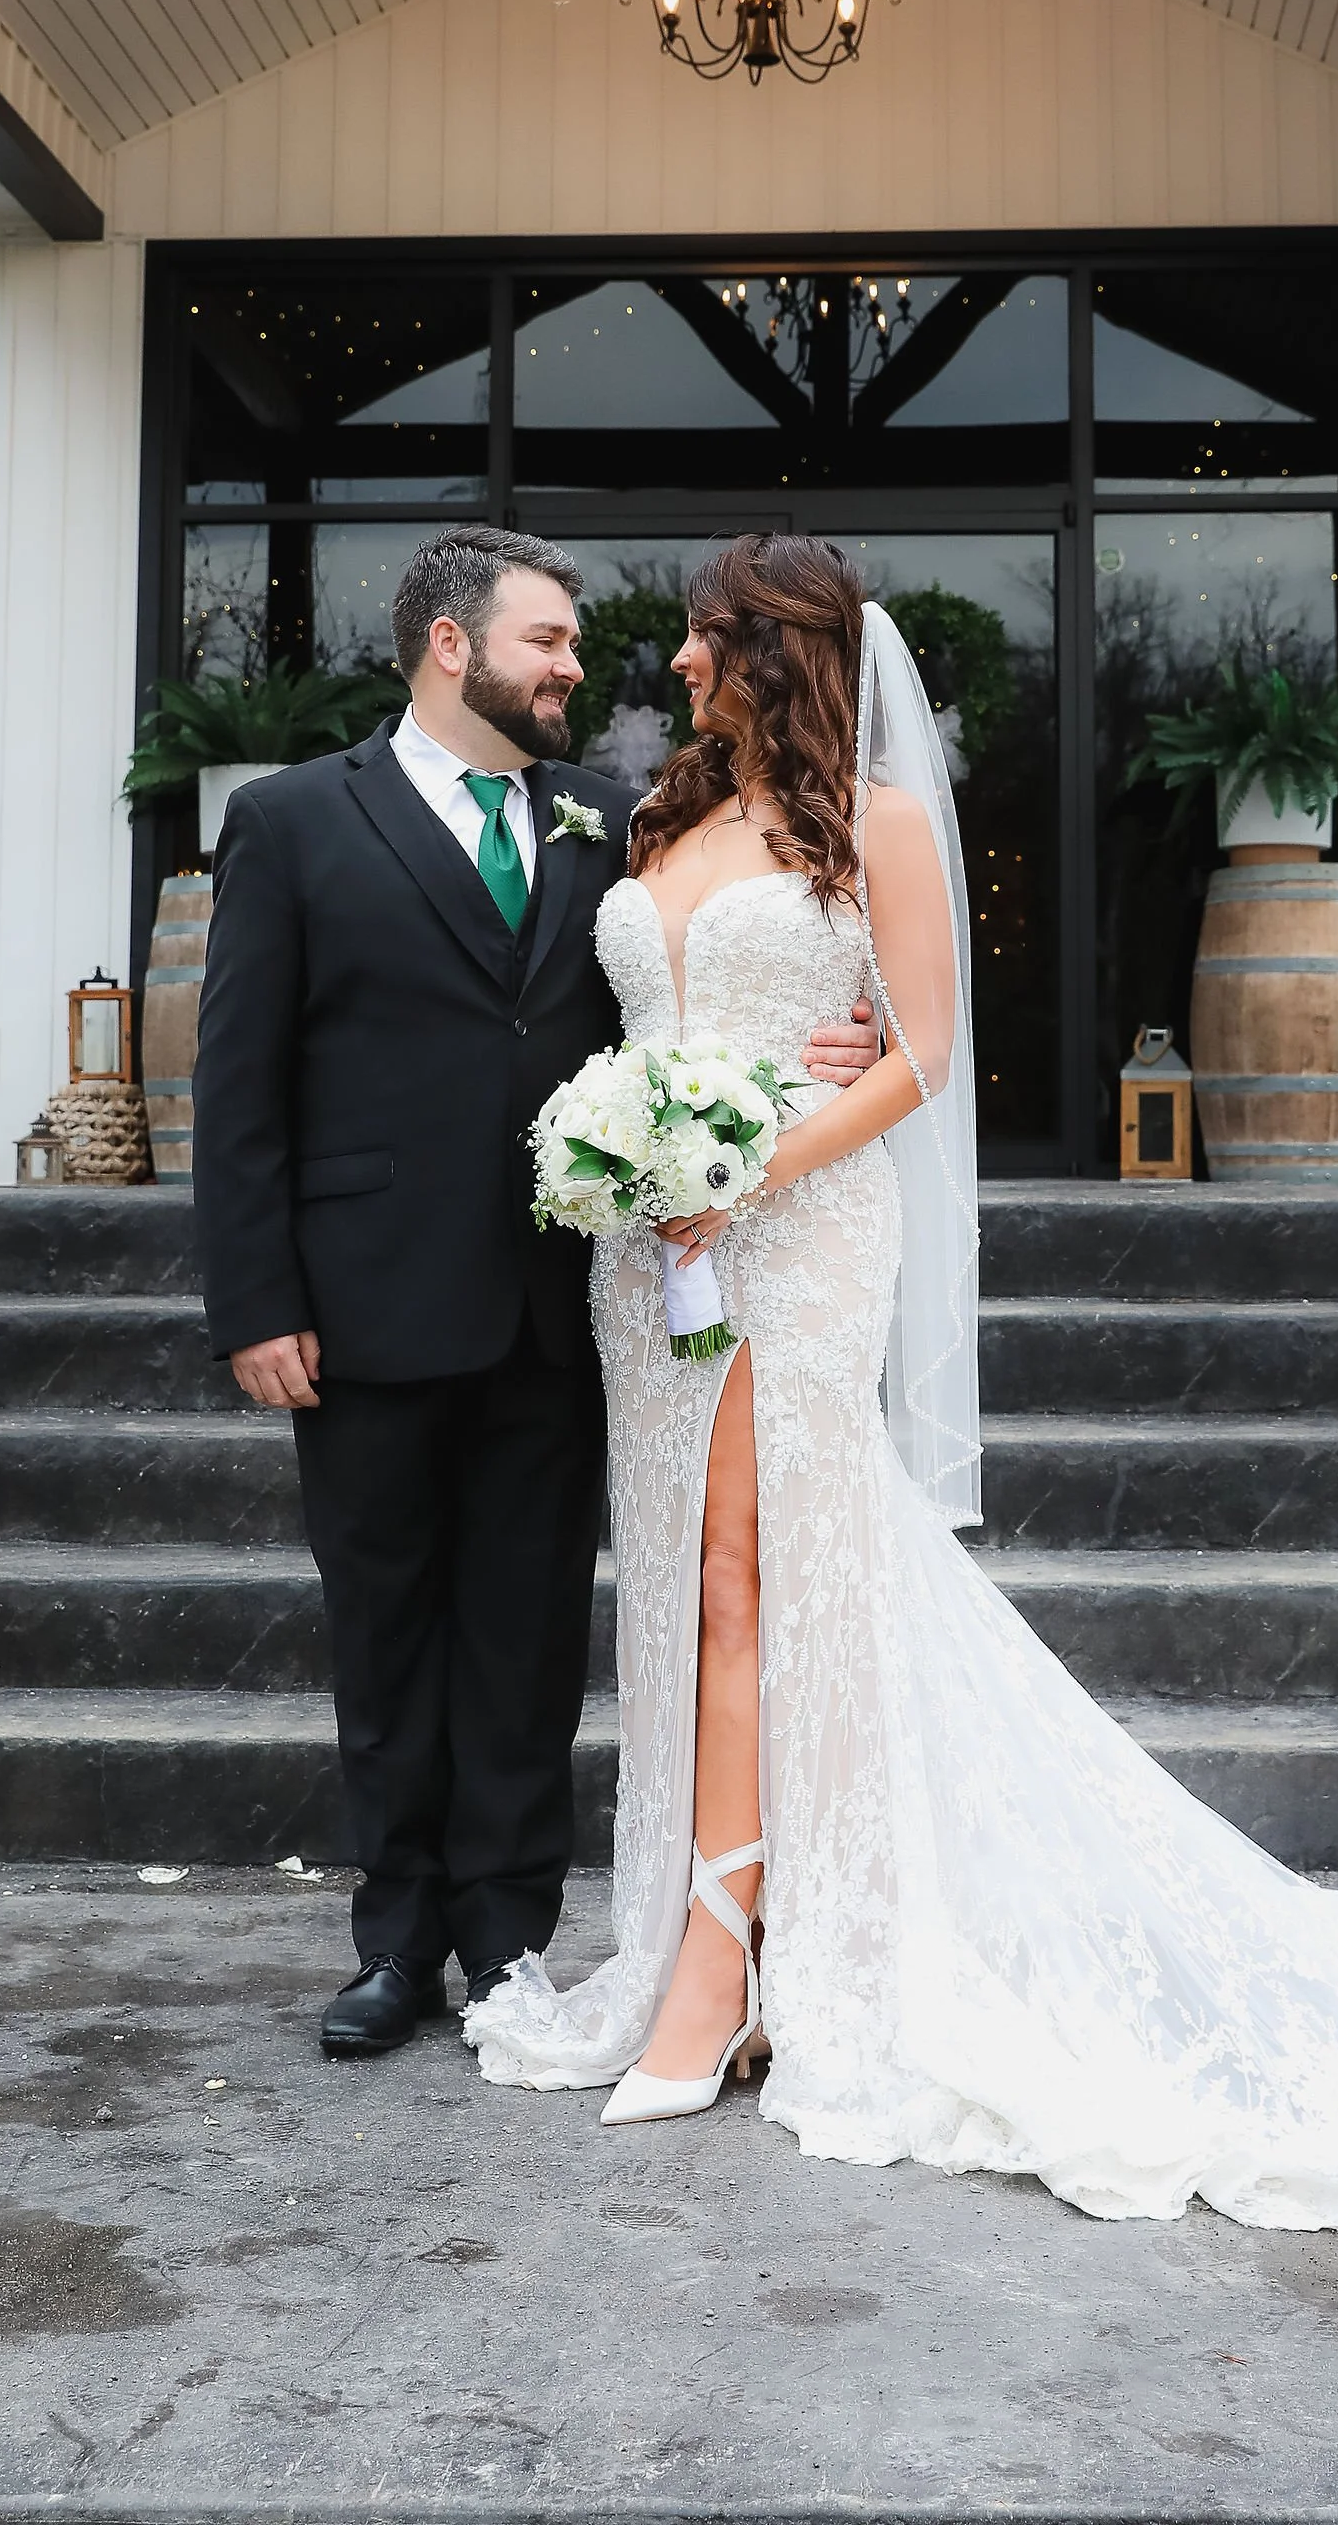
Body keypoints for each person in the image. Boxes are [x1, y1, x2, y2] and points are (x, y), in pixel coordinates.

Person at [467, 530, 1338, 2231]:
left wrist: (753, 1162)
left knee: (746, 1573)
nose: (678, 668)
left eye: (708, 643)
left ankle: (731, 1955)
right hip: (658, 1258)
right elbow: (636, 1029)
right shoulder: (661, 824)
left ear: (780, 654)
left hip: (795, 1231)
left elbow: (919, 1052)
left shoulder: (884, 831)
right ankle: (742, 1928)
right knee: (692, 1589)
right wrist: (632, 1158)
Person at [193, 526, 876, 2060]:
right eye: (549, 643)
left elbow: (682, 996)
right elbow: (237, 1082)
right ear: (454, 645)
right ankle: (397, 1939)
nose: (579, 670)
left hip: (572, 1303)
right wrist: (255, 1299)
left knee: (523, 1635)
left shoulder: (614, 822)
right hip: (359, 1306)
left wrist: (826, 1047)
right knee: (385, 1629)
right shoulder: (297, 822)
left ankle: (508, 1939)